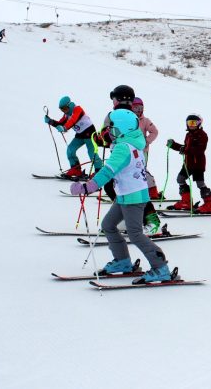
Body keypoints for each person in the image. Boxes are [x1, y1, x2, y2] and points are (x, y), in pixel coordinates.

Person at [70, 109, 172, 282]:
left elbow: (107, 171)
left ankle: (160, 267)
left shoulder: (123, 149)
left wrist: (88, 187)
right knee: (108, 225)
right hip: (126, 195)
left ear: (121, 128)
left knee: (135, 234)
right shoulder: (132, 143)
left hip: (133, 197)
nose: (109, 131)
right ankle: (123, 261)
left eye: (111, 128)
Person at [96, 86, 162, 235]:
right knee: (127, 186)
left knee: (124, 187)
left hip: (123, 157)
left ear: (117, 99)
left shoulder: (113, 115)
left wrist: (100, 138)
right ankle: (132, 217)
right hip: (131, 156)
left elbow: (104, 137)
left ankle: (151, 221)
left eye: (114, 99)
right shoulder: (132, 115)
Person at [166, 114, 211, 213]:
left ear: (199, 123)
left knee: (200, 184)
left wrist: (184, 149)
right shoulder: (188, 135)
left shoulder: (202, 135)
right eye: (189, 123)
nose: (192, 125)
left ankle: (209, 205)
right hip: (188, 163)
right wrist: (174, 145)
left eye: (194, 123)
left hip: (197, 164)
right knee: (180, 179)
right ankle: (186, 202)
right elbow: (186, 148)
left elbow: (199, 150)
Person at [44, 96, 102, 178]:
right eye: (61, 109)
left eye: (65, 108)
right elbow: (61, 123)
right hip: (80, 134)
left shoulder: (77, 109)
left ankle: (99, 171)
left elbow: (73, 120)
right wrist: (50, 121)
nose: (64, 111)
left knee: (91, 152)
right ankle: (76, 169)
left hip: (89, 132)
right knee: (70, 150)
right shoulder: (66, 115)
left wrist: (64, 128)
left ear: (70, 105)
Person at [131, 97, 162, 199]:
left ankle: (152, 191)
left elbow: (155, 131)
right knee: (130, 170)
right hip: (129, 150)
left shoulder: (145, 121)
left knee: (142, 169)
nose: (139, 110)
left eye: (141, 108)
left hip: (142, 151)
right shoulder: (128, 120)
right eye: (136, 108)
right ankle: (134, 190)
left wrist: (147, 141)